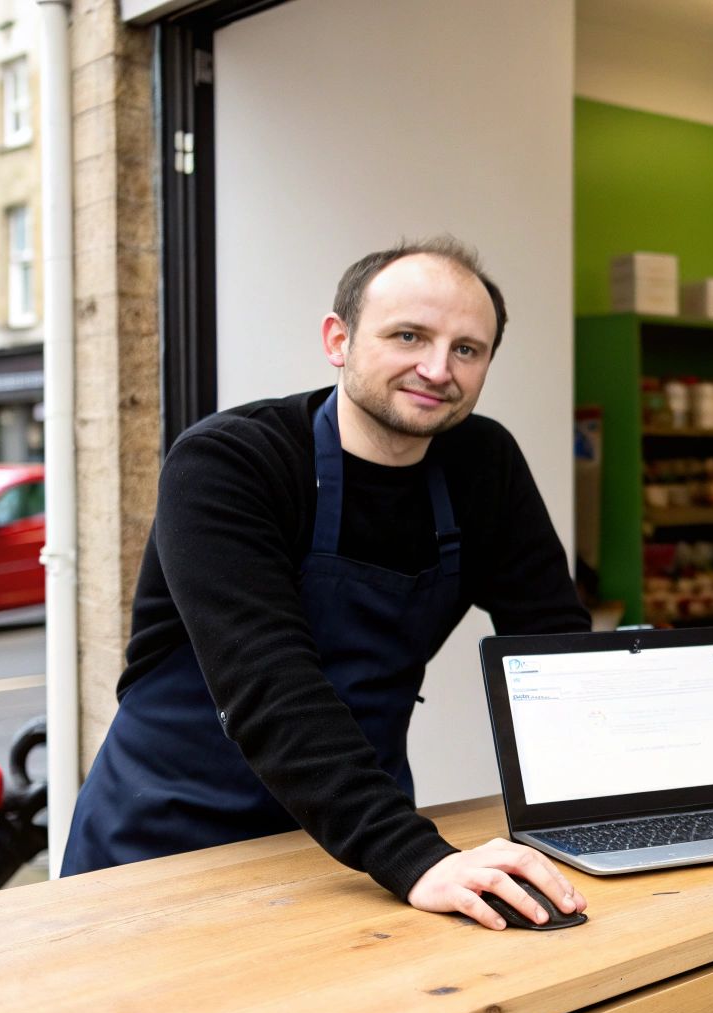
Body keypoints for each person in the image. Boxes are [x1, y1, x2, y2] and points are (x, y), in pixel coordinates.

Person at [64, 237, 590, 930]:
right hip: (170, 837)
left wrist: (615, 805)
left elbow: (552, 646)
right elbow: (268, 685)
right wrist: (413, 856)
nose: (438, 368)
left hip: (356, 842)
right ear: (337, 340)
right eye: (409, 336)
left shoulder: (483, 462)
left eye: (468, 349)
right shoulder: (228, 462)